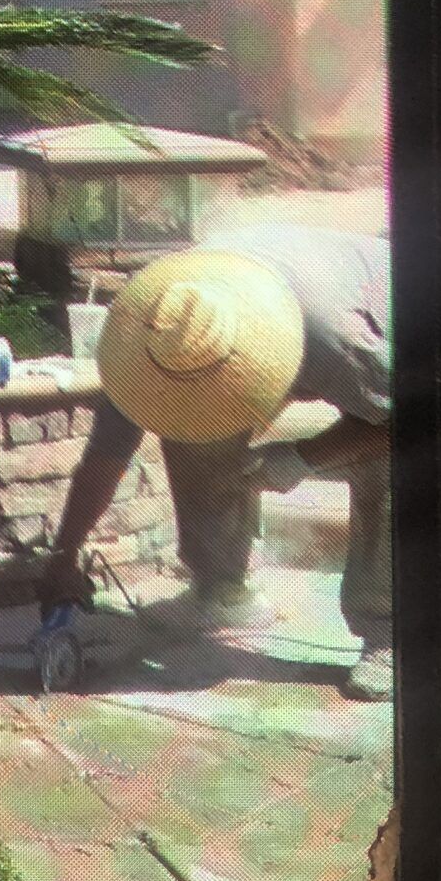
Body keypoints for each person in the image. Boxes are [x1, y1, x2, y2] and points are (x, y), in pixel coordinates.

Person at [38, 225, 391, 700]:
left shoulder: (336, 337)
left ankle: (392, 633)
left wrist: (301, 458)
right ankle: (222, 592)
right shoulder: (154, 333)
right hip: (279, 307)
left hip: (390, 320)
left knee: (388, 467)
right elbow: (106, 455)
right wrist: (65, 554)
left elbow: (409, 417)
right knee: (194, 430)